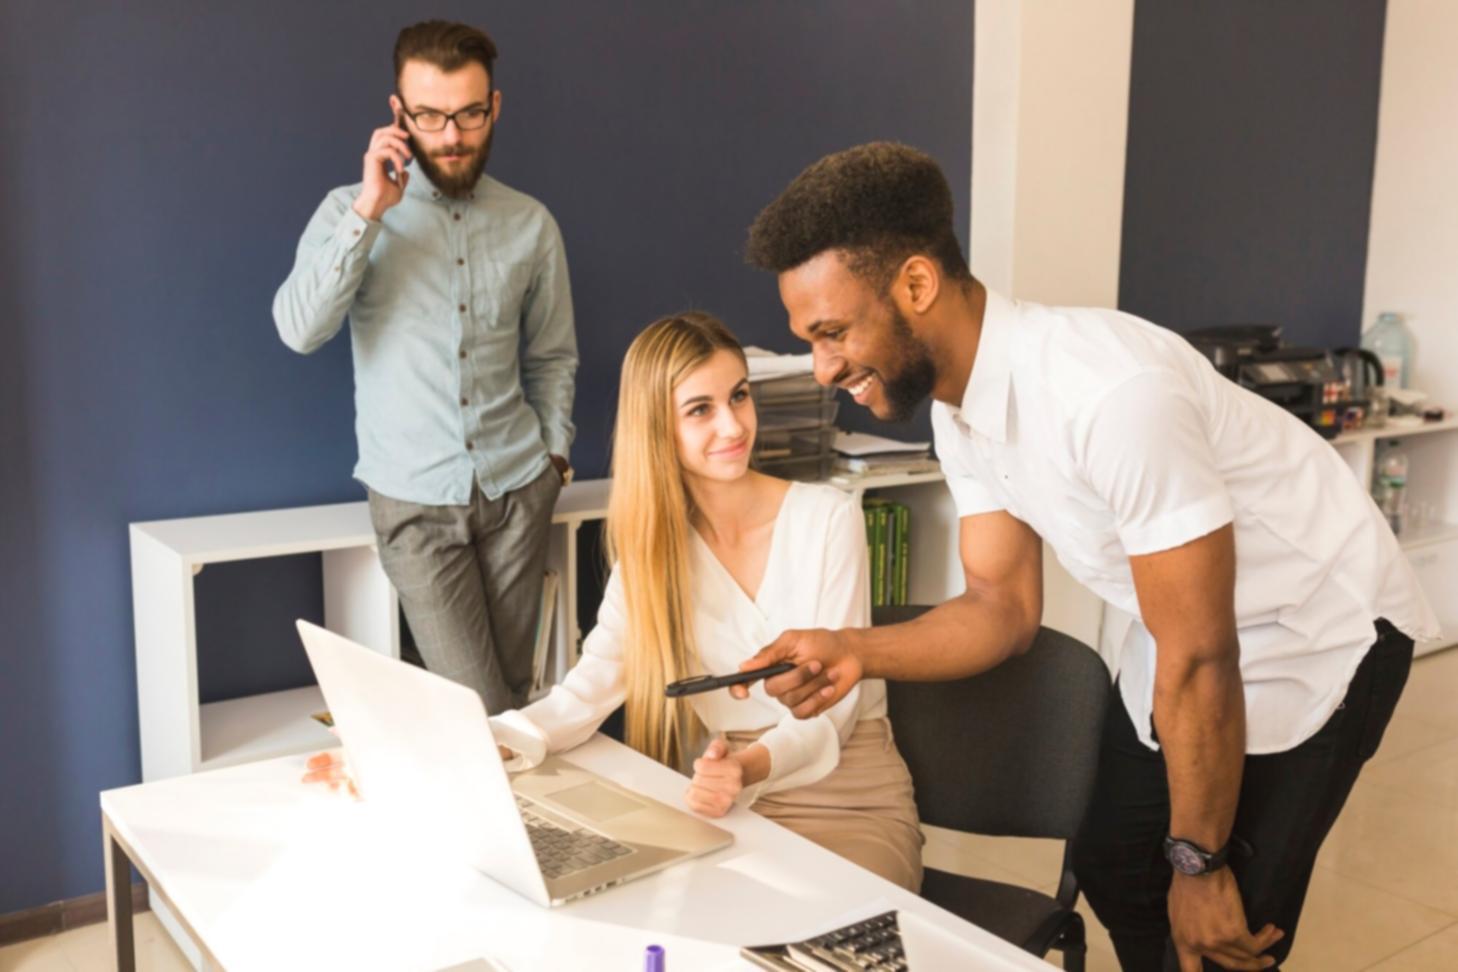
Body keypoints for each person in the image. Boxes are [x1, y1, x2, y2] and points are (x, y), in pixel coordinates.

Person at [735, 142, 1437, 970]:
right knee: (1116, 863)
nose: (823, 369)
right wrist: (854, 650)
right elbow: (1001, 606)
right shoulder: (958, 413)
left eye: (833, 332)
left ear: (916, 286)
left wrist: (1201, 864)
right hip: (1182, 632)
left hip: (1319, 626)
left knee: (1221, 928)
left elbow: (1205, 656)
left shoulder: (1109, 395)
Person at [493, 311, 921, 890]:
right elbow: (587, 691)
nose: (733, 426)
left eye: (739, 396)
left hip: (846, 795)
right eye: (701, 409)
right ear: (657, 428)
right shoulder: (653, 553)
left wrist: (748, 768)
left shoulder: (827, 518)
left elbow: (833, 712)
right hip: (727, 796)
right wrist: (495, 739)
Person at [273, 20, 577, 713]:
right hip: (414, 506)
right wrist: (369, 211)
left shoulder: (532, 223)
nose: (451, 135)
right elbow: (297, 330)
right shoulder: (347, 213)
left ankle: (516, 824)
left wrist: (553, 460)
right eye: (431, 116)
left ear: (494, 106)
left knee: (515, 702)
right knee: (481, 708)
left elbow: (553, 354)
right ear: (398, 114)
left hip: (518, 492)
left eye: (469, 113)